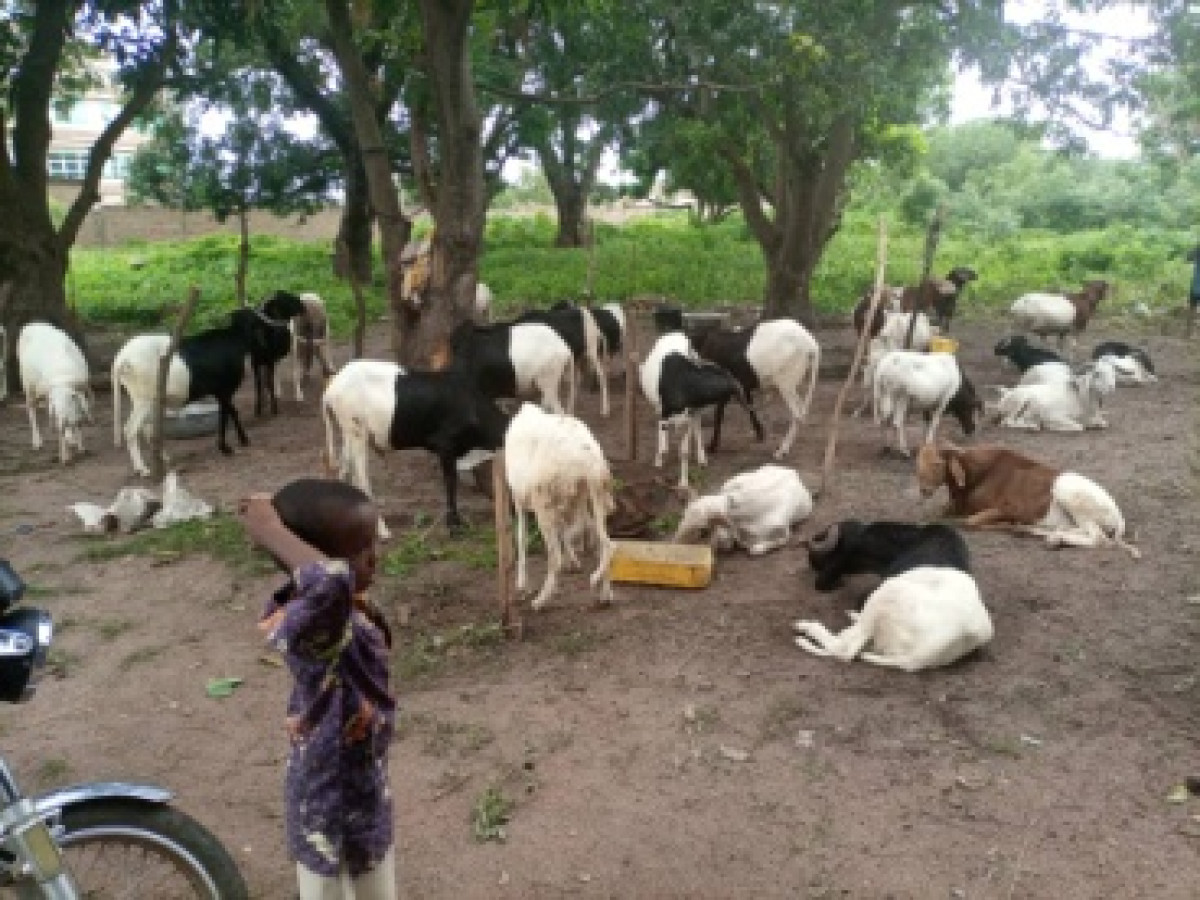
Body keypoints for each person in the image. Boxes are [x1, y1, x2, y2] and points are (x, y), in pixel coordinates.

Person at [238, 478, 397, 900]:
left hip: (363, 788)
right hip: (327, 803)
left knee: (374, 882)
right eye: (359, 551)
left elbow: (332, 582)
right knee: (331, 887)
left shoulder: (340, 609)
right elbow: (329, 581)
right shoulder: (312, 624)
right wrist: (269, 529)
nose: (374, 558)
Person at [1187, 244, 1200, 337]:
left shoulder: (1197, 251)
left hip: (1195, 287)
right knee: (1192, 310)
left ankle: (1190, 332)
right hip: (1195, 286)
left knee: (1192, 310)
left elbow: (1188, 257)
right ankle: (1191, 332)